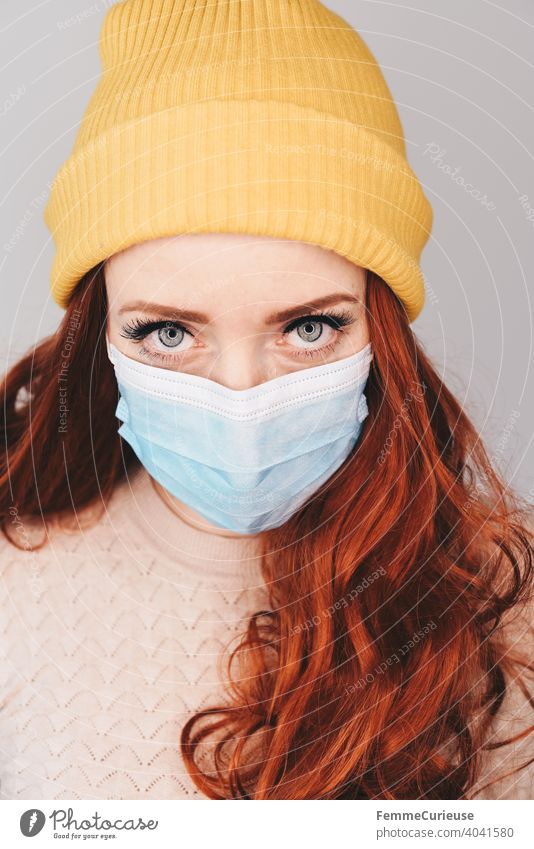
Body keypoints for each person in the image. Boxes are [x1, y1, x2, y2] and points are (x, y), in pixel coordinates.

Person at [1, 0, 533, 801]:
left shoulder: (503, 600)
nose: (242, 399)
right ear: (100, 329)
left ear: (379, 328)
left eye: (309, 326)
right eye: (170, 334)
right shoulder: (14, 581)